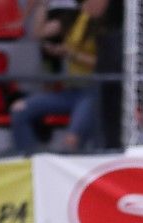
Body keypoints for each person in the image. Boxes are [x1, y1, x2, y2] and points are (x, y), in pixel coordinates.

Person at [10, 0, 106, 153]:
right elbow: (38, 33)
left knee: (71, 141)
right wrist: (42, 4)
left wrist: (71, 54)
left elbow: (104, 65)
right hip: (71, 91)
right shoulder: (72, 18)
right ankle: (31, 161)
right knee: (20, 109)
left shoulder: (107, 25)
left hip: (92, 92)